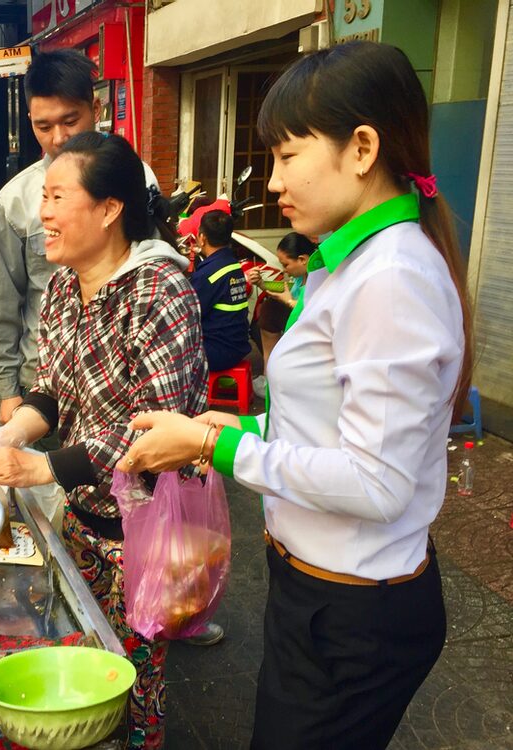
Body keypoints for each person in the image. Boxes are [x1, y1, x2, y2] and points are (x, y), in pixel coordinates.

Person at [117, 41, 472, 750]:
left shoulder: (391, 277)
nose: (273, 181)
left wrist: (215, 444)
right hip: (318, 594)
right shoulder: (348, 264)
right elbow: (328, 418)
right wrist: (240, 421)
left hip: (353, 616)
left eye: (288, 154)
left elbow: (377, 483)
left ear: (362, 147)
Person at [0, 132, 212, 750]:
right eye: (41, 198)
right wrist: (11, 431)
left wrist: (42, 469)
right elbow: (51, 393)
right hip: (85, 517)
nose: (42, 213)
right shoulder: (61, 290)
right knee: (84, 661)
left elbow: (155, 431)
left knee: (133, 675)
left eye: (56, 197)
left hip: (148, 530)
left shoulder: (160, 292)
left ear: (109, 210)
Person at [0, 49, 162, 427]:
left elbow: (152, 268)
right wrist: (8, 389)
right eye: (43, 126)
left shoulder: (136, 178)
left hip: (123, 384)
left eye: (70, 121)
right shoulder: (14, 201)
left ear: (95, 108)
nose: (59, 138)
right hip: (45, 387)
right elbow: (3, 301)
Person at [247, 232, 317, 393]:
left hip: (309, 336)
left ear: (302, 260)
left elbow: (312, 315)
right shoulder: (301, 277)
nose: (284, 271)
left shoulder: (319, 279)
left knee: (269, 311)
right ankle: (269, 375)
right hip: (296, 332)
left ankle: (270, 378)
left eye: (285, 265)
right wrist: (262, 284)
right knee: (268, 309)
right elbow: (282, 289)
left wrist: (288, 301)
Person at [187, 209, 252, 372]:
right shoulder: (232, 264)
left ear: (202, 238)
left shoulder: (208, 274)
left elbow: (190, 314)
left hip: (217, 351)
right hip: (238, 344)